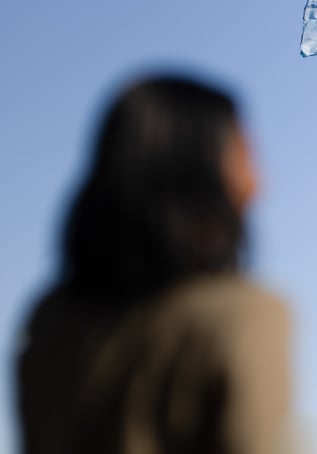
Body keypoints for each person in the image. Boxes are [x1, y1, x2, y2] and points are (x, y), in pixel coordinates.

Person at [17, 73, 290, 454]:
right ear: (197, 170)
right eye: (244, 157)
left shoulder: (48, 321)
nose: (258, 184)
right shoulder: (244, 318)